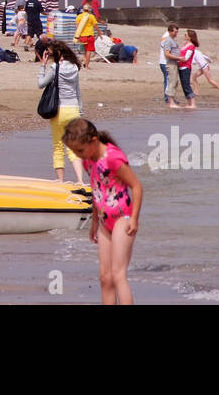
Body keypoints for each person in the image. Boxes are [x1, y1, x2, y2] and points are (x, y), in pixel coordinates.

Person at [62, 117, 143, 305]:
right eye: (74, 152)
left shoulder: (113, 157)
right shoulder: (88, 161)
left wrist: (134, 219)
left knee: (117, 275)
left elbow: (136, 186)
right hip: (105, 222)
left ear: (93, 140)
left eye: (80, 150)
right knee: (105, 277)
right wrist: (95, 221)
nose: (79, 155)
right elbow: (97, 189)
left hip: (123, 219)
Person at [38, 40, 85, 185]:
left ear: (56, 54)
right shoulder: (74, 68)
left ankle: (60, 180)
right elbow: (77, 91)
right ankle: (80, 181)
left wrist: (42, 66)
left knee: (58, 145)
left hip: (59, 110)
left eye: (50, 54)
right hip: (74, 109)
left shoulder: (54, 67)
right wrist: (80, 111)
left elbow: (41, 84)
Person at [158, 23, 183, 109]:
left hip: (168, 62)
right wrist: (178, 57)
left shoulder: (170, 39)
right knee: (170, 81)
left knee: (172, 81)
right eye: (175, 32)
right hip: (166, 62)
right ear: (170, 31)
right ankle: (169, 99)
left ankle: (170, 98)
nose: (177, 34)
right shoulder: (167, 38)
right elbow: (167, 52)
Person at [176, 29, 199, 109]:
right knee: (184, 85)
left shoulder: (191, 46)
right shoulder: (185, 44)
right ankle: (189, 103)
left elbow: (186, 58)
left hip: (186, 67)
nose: (184, 36)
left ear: (190, 37)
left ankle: (192, 103)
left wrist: (176, 58)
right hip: (181, 66)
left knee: (186, 85)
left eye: (186, 35)